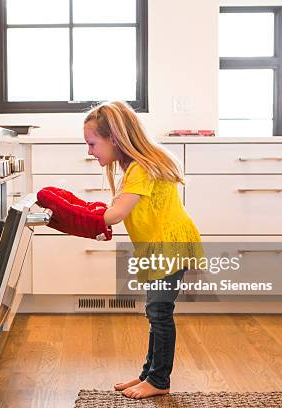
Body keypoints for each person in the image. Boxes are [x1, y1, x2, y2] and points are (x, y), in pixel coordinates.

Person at [83, 101, 203, 399]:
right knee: (155, 312)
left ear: (113, 138)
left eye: (92, 143)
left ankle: (159, 381)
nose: (90, 151)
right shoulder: (136, 167)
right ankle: (148, 375)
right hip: (158, 248)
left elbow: (115, 214)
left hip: (168, 247)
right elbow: (117, 211)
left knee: (159, 313)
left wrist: (74, 217)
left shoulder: (140, 168)